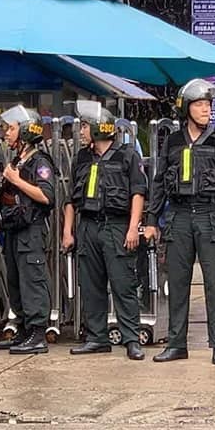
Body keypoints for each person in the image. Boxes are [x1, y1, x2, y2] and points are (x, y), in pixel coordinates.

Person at [144, 79, 215, 366]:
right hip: (179, 217)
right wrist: (152, 219)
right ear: (186, 109)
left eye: (208, 105)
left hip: (211, 218)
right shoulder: (172, 143)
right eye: (199, 105)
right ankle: (176, 344)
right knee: (177, 283)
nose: (205, 110)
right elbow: (159, 182)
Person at [62, 101, 147, 361]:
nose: (81, 131)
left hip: (117, 226)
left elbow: (138, 193)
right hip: (88, 225)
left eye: (86, 126)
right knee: (90, 285)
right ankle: (96, 337)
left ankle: (131, 339)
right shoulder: (82, 157)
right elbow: (71, 199)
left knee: (123, 285)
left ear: (101, 128)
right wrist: (68, 231)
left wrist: (133, 228)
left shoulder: (127, 155)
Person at [0, 105, 56, 355]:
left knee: (32, 281)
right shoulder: (17, 161)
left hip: (31, 233)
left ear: (25, 132)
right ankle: (24, 329)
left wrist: (17, 180)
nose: (6, 133)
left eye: (11, 129)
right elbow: (7, 200)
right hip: (12, 231)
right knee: (16, 283)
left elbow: (46, 196)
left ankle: (37, 333)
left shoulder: (40, 162)